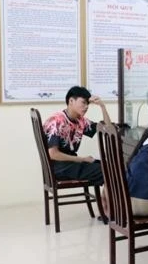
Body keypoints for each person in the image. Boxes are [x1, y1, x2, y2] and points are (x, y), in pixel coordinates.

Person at [43, 86, 111, 216]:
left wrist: (102, 107)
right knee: (108, 170)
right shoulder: (57, 121)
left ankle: (107, 209)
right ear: (71, 101)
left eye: (88, 104)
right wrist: (83, 159)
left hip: (70, 164)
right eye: (83, 103)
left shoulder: (81, 121)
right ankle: (108, 211)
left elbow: (108, 129)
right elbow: (53, 154)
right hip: (59, 167)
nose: (86, 107)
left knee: (109, 167)